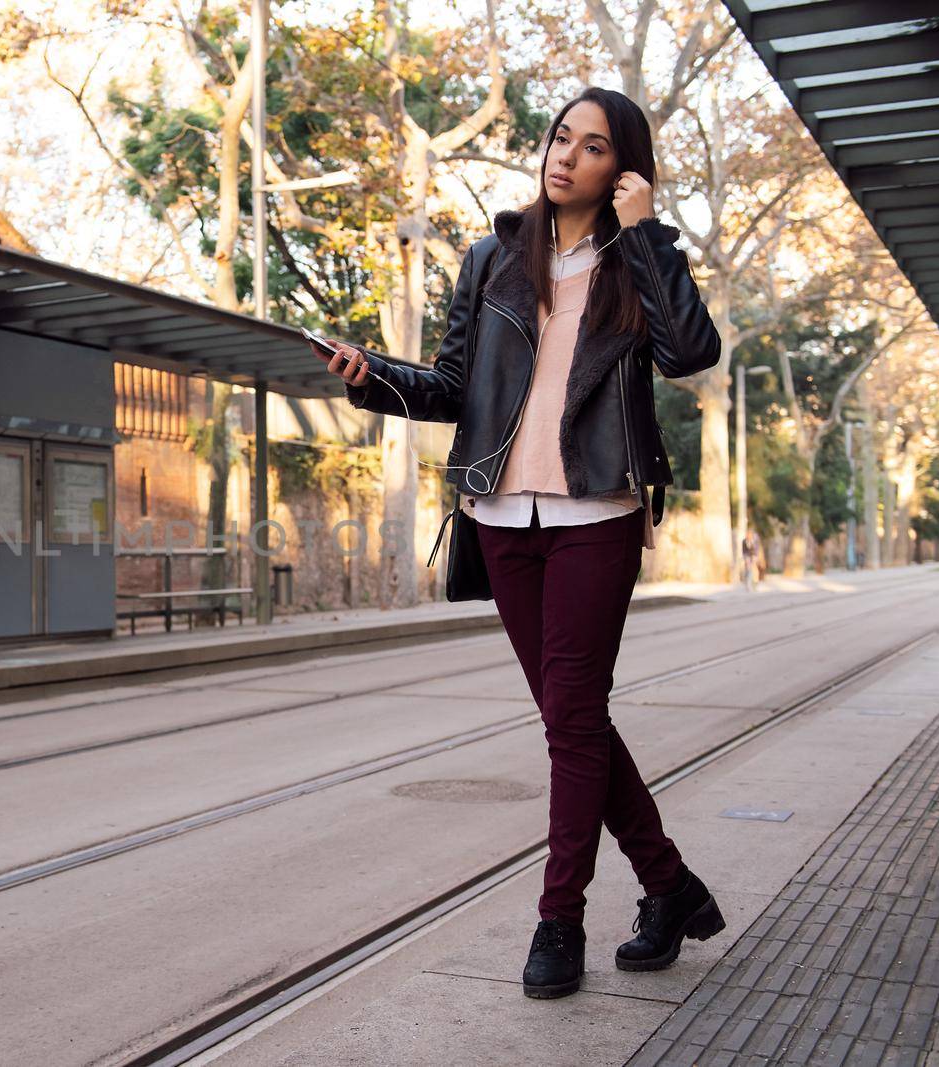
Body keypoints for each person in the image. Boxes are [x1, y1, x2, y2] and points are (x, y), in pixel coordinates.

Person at [314, 87, 725, 999]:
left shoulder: (634, 267)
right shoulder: (492, 259)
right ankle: (669, 885)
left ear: (623, 169)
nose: (565, 156)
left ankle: (559, 918)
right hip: (502, 521)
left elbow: (692, 352)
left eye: (591, 147)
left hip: (596, 516)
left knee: (572, 722)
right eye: (558, 138)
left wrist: (648, 231)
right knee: (573, 722)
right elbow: (459, 386)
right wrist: (372, 376)